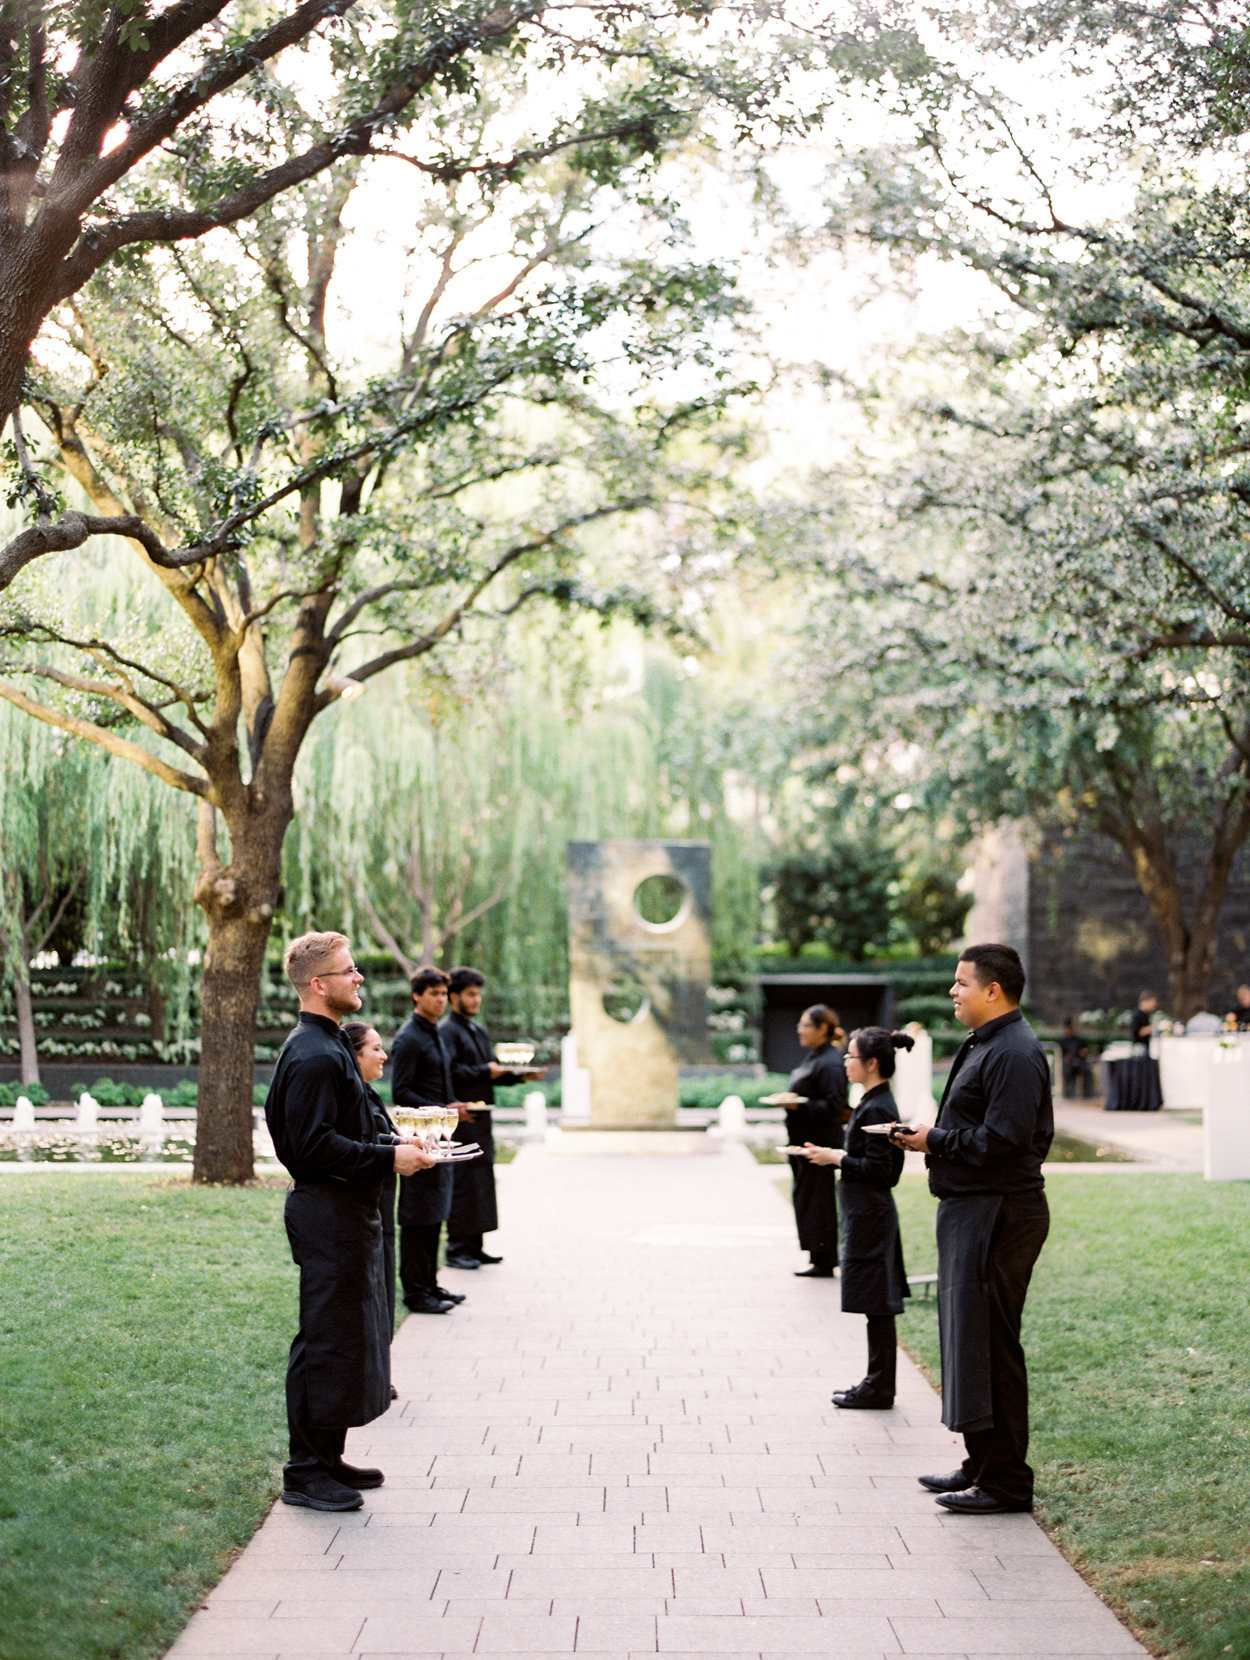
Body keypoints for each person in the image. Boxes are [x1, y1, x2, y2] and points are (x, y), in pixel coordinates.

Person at [264, 931, 438, 1512]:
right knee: (324, 1340)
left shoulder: (331, 1044)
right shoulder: (312, 1054)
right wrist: (391, 1157)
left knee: (345, 1337)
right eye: (349, 971)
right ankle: (305, 1472)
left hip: (351, 1213)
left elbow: (354, 1123)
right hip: (327, 1214)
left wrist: (398, 1140)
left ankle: (328, 1456)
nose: (359, 977)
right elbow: (311, 1147)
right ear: (319, 984)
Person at [893, 943, 1053, 1515]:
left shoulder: (1013, 1051)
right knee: (970, 1341)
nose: (952, 992)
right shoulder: (986, 1043)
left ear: (994, 990)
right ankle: (981, 1462)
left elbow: (1004, 1143)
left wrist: (932, 1141)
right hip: (971, 1209)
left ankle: (1007, 1482)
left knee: (992, 1346)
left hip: (999, 1214)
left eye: (962, 983)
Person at [799, 1026, 911, 1409]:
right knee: (872, 1303)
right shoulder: (871, 1101)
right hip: (864, 1214)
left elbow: (884, 1171)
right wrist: (833, 1153)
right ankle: (875, 1382)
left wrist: (836, 1159)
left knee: (877, 1304)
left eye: (851, 1056)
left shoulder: (879, 1106)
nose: (845, 1062)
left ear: (872, 1063)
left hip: (871, 1217)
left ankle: (879, 1387)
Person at [440, 966, 544, 1270]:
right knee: (464, 1183)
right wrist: (488, 1070)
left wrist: (520, 1077)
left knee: (482, 1181)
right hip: (462, 1119)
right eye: (471, 994)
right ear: (454, 996)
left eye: (478, 994)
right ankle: (457, 1248)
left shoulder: (477, 1030)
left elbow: (491, 1074)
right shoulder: (448, 1032)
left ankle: (475, 1245)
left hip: (483, 1118)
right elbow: (453, 1073)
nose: (476, 1000)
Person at [390, 965, 468, 1314]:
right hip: (420, 1135)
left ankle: (430, 1284)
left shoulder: (434, 1032)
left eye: (442, 994)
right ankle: (416, 1292)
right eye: (433, 994)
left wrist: (451, 1111)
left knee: (435, 1211)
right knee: (418, 1213)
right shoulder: (409, 1037)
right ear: (416, 995)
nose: (440, 1000)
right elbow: (401, 1091)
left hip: (440, 1134)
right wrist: (442, 1109)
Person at [786, 1004, 848, 1279]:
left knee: (818, 1201)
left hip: (819, 1145)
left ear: (822, 1029)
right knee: (807, 1199)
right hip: (803, 1142)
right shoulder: (814, 1057)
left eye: (805, 1025)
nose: (800, 1030)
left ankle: (824, 1260)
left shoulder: (830, 1062)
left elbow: (835, 1106)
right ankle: (816, 1256)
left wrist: (800, 1106)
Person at [1058, 1017, 1094, 1100]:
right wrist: (1067, 1057)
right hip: (1069, 1063)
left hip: (1080, 1062)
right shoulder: (1062, 1041)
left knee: (1087, 1071)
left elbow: (1084, 1050)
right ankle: (1069, 1094)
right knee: (1067, 1071)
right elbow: (1061, 1053)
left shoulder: (1079, 1040)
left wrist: (1083, 1053)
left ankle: (1087, 1094)